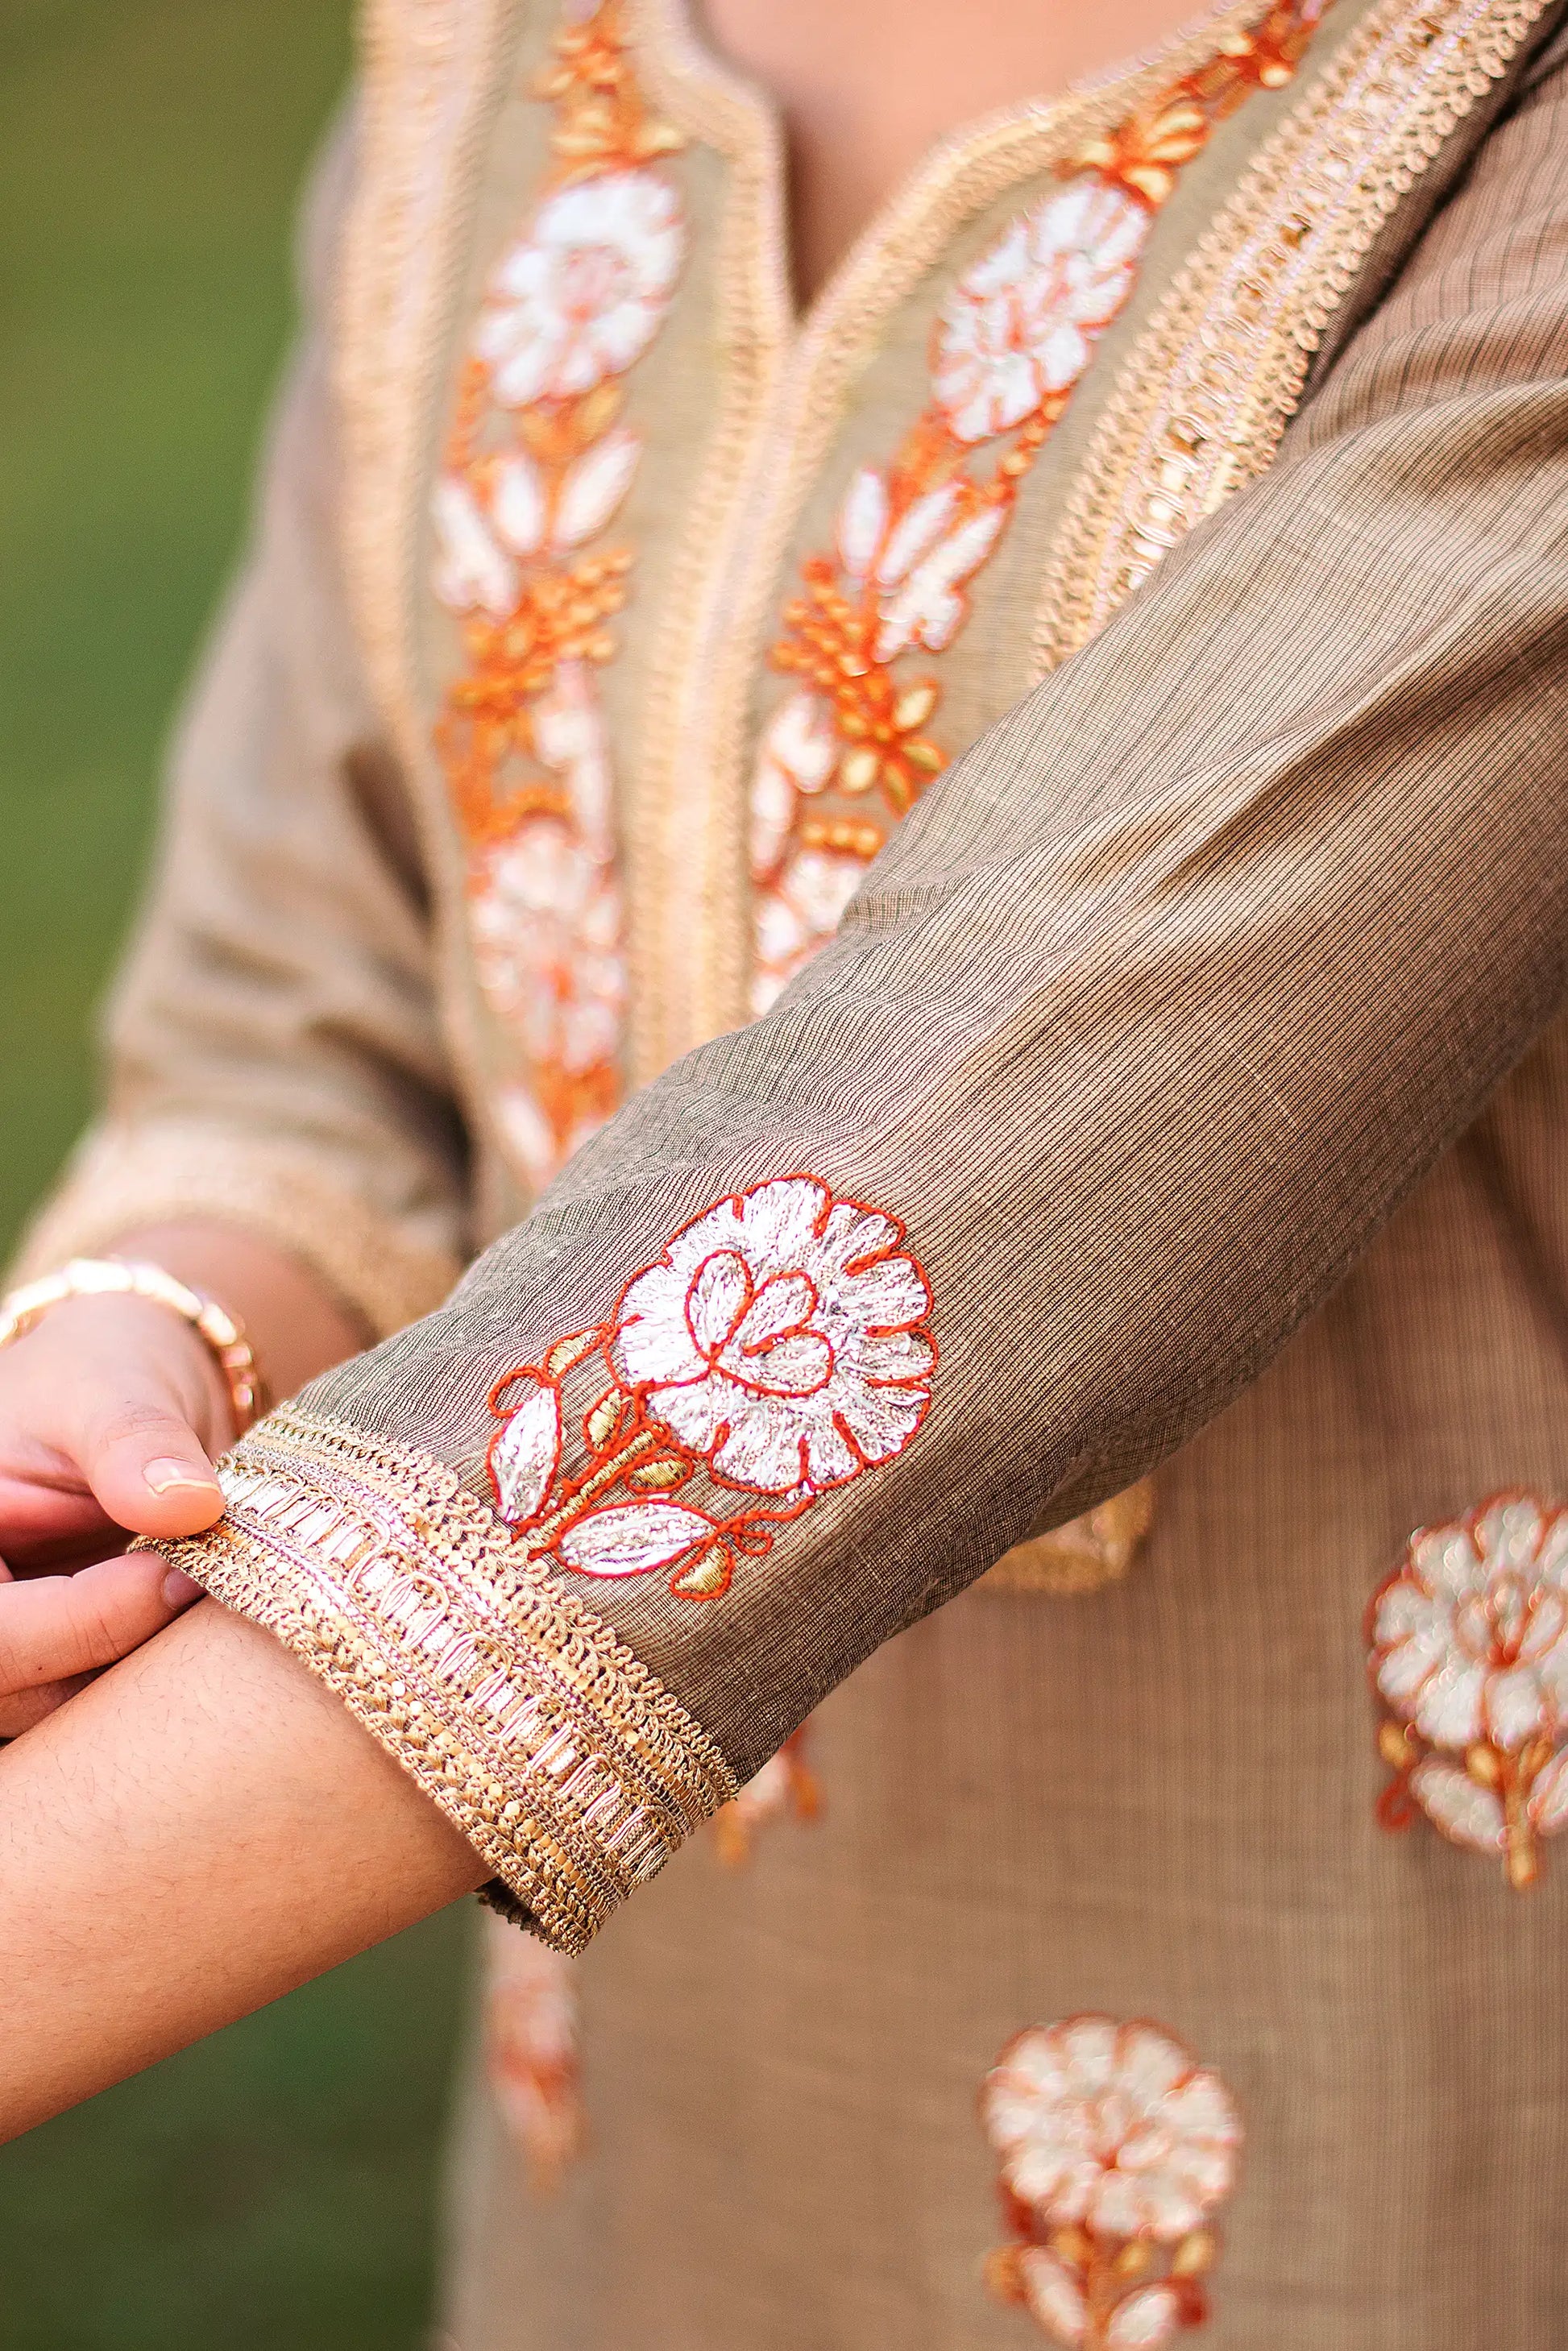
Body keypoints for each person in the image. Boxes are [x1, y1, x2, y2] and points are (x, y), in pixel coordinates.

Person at [2, 0, 1568, 2339]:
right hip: (655, 2114)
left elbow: (1016, 1116)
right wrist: (150, 1346)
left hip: (1383, 2055)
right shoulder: (484, 59)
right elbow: (298, 994)